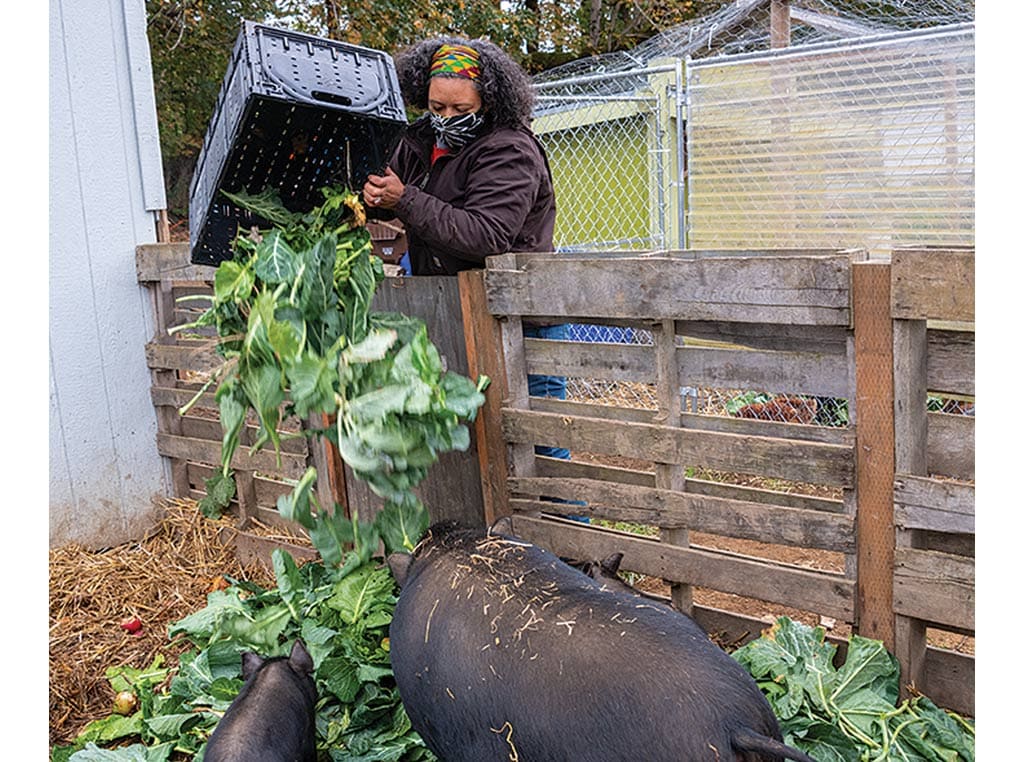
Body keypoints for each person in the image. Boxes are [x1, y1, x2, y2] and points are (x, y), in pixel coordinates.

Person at [362, 36, 573, 462]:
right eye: (438, 107)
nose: (446, 118)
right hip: (457, 315)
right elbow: (382, 184)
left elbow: (486, 235)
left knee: (540, 450)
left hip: (519, 321)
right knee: (478, 449)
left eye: (461, 110)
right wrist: (365, 197)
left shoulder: (510, 149)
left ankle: (561, 524)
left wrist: (403, 200)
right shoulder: (420, 139)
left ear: (490, 101)